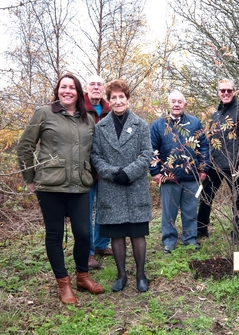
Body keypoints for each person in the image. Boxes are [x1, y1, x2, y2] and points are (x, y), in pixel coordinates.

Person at [17, 73, 103, 304]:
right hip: (50, 186)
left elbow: (95, 152)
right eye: (63, 87)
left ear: (78, 92)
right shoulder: (44, 113)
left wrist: (92, 175)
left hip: (80, 185)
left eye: (71, 88)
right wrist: (30, 179)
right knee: (54, 234)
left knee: (84, 234)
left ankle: (82, 276)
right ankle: (63, 283)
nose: (67, 91)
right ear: (57, 91)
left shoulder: (88, 119)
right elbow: (24, 146)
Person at [91, 79, 152, 293]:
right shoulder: (100, 127)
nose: (118, 101)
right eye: (114, 98)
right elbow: (95, 156)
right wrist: (112, 173)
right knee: (116, 233)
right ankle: (121, 275)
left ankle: (141, 275)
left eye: (121, 97)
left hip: (135, 186)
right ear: (109, 100)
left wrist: (129, 172)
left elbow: (147, 154)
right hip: (111, 186)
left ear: (127, 99)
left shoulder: (141, 125)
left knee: (137, 233)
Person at [150, 90, 209, 253]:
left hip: (191, 176)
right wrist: (155, 172)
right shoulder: (158, 124)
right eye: (173, 101)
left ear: (185, 105)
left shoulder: (195, 123)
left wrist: (203, 168)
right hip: (168, 177)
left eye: (179, 102)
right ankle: (169, 241)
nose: (176, 104)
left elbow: (203, 146)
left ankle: (190, 239)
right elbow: (152, 149)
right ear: (169, 104)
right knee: (169, 211)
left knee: (190, 209)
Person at [197, 79, 239, 241]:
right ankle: (201, 229)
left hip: (235, 164)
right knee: (206, 195)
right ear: (218, 92)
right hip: (215, 164)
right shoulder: (216, 112)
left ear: (234, 91)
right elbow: (210, 138)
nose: (226, 93)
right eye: (222, 91)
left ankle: (237, 232)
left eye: (229, 90)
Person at [84, 74, 113, 269]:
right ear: (86, 87)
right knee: (84, 212)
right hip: (84, 169)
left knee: (106, 209)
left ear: (104, 89)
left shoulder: (110, 110)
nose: (96, 87)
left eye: (99, 84)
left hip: (105, 170)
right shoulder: (78, 108)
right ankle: (87, 253)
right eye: (92, 84)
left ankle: (101, 244)